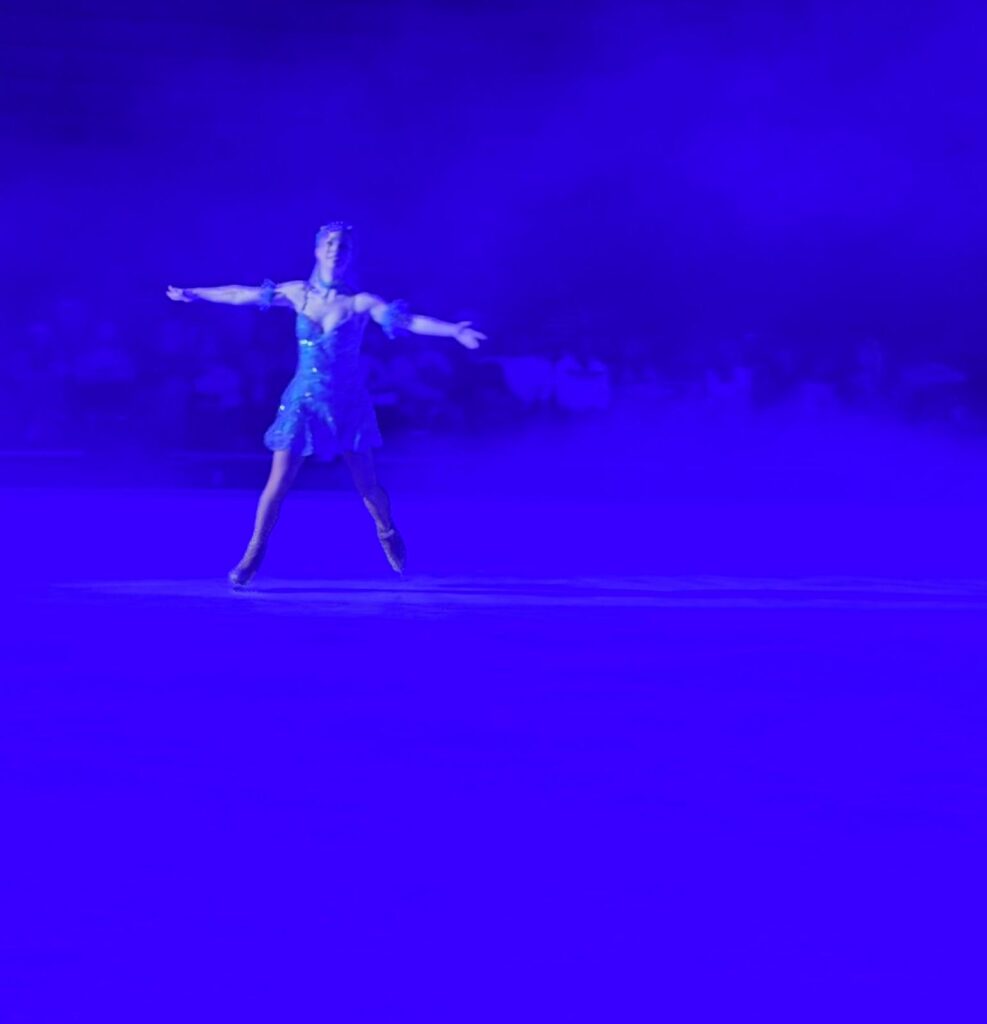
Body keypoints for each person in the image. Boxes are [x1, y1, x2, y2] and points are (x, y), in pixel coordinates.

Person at [167, 222, 485, 586]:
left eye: (343, 245)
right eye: (331, 244)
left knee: (367, 486)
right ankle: (253, 553)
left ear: (350, 256)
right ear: (318, 250)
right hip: (303, 399)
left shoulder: (359, 302)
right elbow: (241, 293)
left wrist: (453, 330)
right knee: (278, 482)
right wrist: (195, 293)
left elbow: (408, 321)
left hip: (347, 402)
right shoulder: (298, 293)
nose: (336, 250)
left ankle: (385, 529)